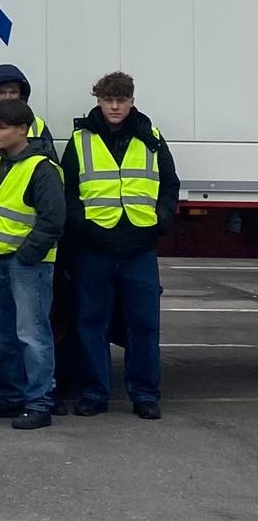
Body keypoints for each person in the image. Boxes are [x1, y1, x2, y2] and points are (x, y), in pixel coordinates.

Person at [62, 71, 178, 420]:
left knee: (144, 325)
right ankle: (93, 393)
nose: (114, 106)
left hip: (139, 246)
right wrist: (84, 229)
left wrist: (159, 222)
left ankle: (145, 395)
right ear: (98, 101)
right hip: (95, 246)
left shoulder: (152, 137)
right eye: (108, 100)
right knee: (91, 323)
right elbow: (68, 191)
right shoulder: (80, 139)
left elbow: (169, 185)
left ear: (131, 101)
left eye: (121, 100)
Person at [0, 100, 65, 430]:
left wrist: (26, 254)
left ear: (22, 130)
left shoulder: (42, 169)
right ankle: (8, 397)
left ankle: (39, 403)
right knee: (1, 333)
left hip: (29, 264)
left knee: (32, 335)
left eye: (2, 127)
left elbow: (53, 219)